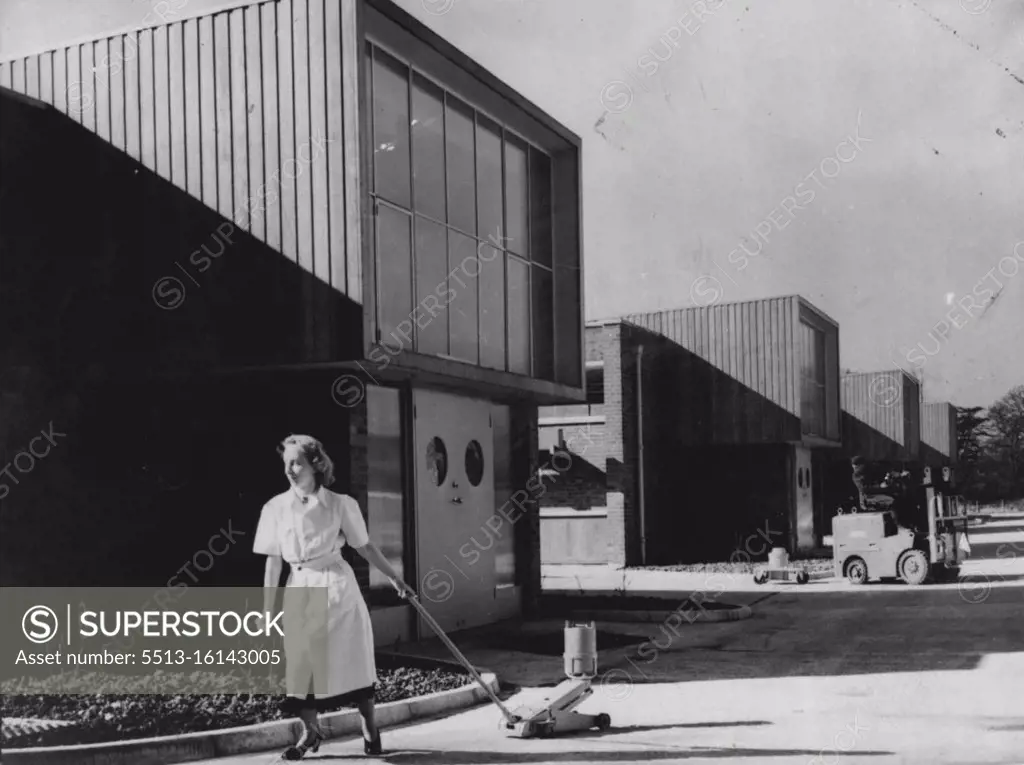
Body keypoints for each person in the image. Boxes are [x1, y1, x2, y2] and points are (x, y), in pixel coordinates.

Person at [253, 434, 415, 759]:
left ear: (315, 464)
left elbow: (365, 546)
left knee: (350, 658)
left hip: (336, 587)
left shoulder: (341, 504)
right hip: (299, 588)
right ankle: (310, 733)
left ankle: (369, 724)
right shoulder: (275, 508)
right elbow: (273, 560)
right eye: (286, 463)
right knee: (301, 666)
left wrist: (396, 579)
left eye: (296, 462)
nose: (290, 469)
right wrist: (266, 608)